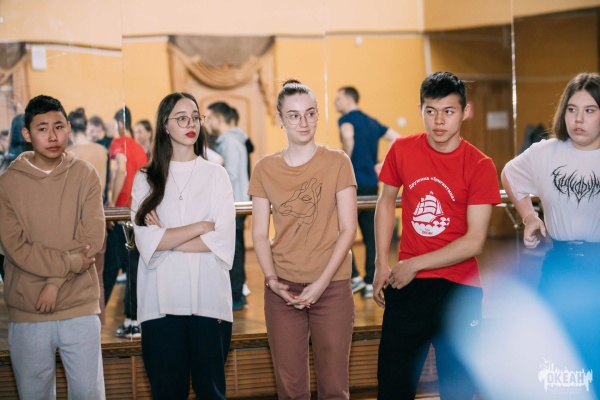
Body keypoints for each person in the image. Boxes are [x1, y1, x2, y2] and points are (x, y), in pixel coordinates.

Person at [374, 72, 500, 399]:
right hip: (407, 285)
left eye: (448, 111)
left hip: (459, 289)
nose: (439, 121)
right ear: (421, 110)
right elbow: (386, 202)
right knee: (393, 388)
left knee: (458, 391)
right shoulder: (402, 149)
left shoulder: (480, 164)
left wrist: (414, 264)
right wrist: (380, 263)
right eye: (431, 111)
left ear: (465, 111)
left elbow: (475, 241)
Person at [249, 79, 357, 398]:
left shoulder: (338, 162)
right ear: (280, 119)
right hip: (283, 287)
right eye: (294, 115)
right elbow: (259, 232)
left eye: (310, 113)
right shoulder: (265, 168)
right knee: (291, 387)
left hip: (332, 285)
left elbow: (348, 229)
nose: (304, 122)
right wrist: (272, 281)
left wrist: (322, 283)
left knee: (334, 386)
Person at [0, 95, 105, 399]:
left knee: (89, 393)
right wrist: (68, 265)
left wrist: (54, 283)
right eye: (42, 128)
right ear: (27, 134)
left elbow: (92, 239)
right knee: (35, 394)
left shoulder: (85, 174)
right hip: (28, 309)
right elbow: (17, 248)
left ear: (69, 128)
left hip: (80, 305)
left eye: (59, 127)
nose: (53, 136)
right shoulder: (8, 184)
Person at [131, 92, 235, 399]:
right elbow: (146, 243)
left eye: (195, 117)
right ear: (165, 125)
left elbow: (222, 240)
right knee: (167, 392)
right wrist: (200, 228)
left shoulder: (216, 174)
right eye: (181, 118)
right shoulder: (146, 178)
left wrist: (165, 236)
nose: (191, 124)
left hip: (209, 299)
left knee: (211, 392)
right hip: (159, 302)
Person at [502, 72, 600, 395]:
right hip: (560, 264)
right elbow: (509, 175)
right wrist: (530, 216)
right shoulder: (546, 152)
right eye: (572, 109)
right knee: (557, 363)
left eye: (589, 110)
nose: (578, 119)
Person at [335, 86, 400, 298]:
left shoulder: (345, 120)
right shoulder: (372, 122)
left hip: (351, 183)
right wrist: (384, 163)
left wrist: (345, 159)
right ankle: (371, 280)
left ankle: (353, 277)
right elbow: (396, 137)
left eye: (338, 99)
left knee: (343, 230)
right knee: (371, 233)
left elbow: (348, 136)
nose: (335, 103)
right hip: (371, 183)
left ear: (348, 99)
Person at [105, 105, 148, 338]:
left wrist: (112, 201)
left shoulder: (119, 142)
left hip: (122, 212)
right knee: (133, 269)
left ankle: (98, 318)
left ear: (120, 124)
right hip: (137, 211)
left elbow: (120, 169)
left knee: (111, 268)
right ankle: (133, 320)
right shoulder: (139, 148)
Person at [67, 107, 109, 324]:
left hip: (76, 219)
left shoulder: (68, 153)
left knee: (74, 276)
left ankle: (80, 323)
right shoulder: (101, 150)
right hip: (99, 215)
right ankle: (99, 324)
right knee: (98, 276)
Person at [206, 101, 250, 310]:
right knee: (235, 249)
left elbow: (229, 175)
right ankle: (236, 293)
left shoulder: (229, 142)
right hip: (236, 202)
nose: (207, 122)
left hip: (233, 204)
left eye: (209, 118)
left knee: (234, 251)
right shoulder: (233, 140)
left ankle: (236, 295)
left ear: (218, 118)